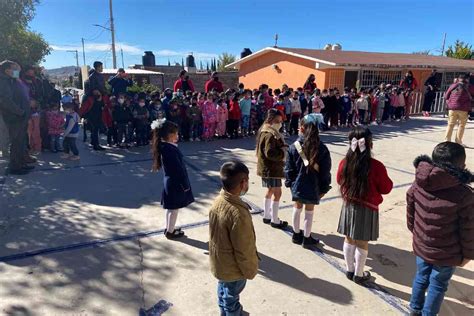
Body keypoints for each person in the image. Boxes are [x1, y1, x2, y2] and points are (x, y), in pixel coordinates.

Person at [407, 142, 473, 316]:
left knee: (421, 277)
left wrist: (415, 232)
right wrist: (468, 254)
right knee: (438, 284)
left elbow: (410, 210)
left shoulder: (418, 182)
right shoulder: (464, 194)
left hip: (422, 244)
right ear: (463, 166)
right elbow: (469, 230)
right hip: (447, 253)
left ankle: (414, 308)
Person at [337, 126, 393, 285]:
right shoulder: (376, 166)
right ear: (370, 144)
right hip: (367, 208)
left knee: (349, 238)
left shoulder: (344, 162)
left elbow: (339, 180)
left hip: (349, 205)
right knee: (362, 241)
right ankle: (359, 274)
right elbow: (386, 187)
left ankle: (349, 269)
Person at [209, 161, 258, 316]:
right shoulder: (238, 213)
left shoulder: (218, 201)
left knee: (223, 291)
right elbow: (244, 247)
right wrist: (250, 270)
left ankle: (225, 311)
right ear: (243, 183)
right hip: (233, 269)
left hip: (220, 263)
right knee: (231, 298)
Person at [285, 114, 332, 248]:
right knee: (309, 211)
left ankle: (295, 234)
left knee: (297, 207)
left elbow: (289, 169)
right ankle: (307, 238)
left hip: (297, 184)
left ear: (302, 128)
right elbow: (325, 170)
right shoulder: (322, 148)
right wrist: (324, 186)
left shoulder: (293, 147)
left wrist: (290, 183)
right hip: (313, 185)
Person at [151, 119, 194, 239]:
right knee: (174, 209)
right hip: (176, 184)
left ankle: (170, 228)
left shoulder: (165, 146)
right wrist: (185, 186)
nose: (177, 135)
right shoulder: (169, 150)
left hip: (171, 182)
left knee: (171, 208)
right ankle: (170, 232)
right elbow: (179, 170)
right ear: (169, 136)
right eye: (176, 133)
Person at [0, 61, 34, 175]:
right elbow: (6, 101)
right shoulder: (4, 82)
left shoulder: (11, 80)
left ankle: (20, 164)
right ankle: (15, 167)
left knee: (20, 142)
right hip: (14, 117)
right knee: (16, 143)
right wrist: (20, 112)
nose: (17, 71)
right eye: (15, 69)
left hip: (19, 116)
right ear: (7, 70)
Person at [256, 108, 288, 229]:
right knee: (277, 193)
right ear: (271, 120)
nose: (280, 123)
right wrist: (282, 152)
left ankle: (267, 215)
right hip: (272, 168)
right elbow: (270, 153)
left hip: (267, 168)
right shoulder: (270, 134)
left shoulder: (265, 131)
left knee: (270, 191)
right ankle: (275, 219)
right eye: (278, 121)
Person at [444, 73, 472, 146]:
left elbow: (446, 96)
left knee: (450, 124)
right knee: (461, 125)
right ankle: (458, 142)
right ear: (467, 79)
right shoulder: (470, 87)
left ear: (459, 78)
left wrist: (449, 103)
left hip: (452, 108)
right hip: (464, 109)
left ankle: (447, 141)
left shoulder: (453, 86)